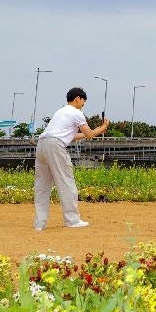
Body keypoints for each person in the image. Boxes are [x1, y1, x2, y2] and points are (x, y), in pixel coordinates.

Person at [33, 87, 110, 230]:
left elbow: (72, 136)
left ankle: (39, 224)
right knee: (66, 182)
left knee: (42, 186)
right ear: (78, 99)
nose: (83, 105)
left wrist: (96, 131)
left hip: (42, 144)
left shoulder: (60, 112)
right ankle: (72, 220)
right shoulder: (77, 113)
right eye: (83, 101)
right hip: (55, 146)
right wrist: (102, 128)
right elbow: (89, 135)